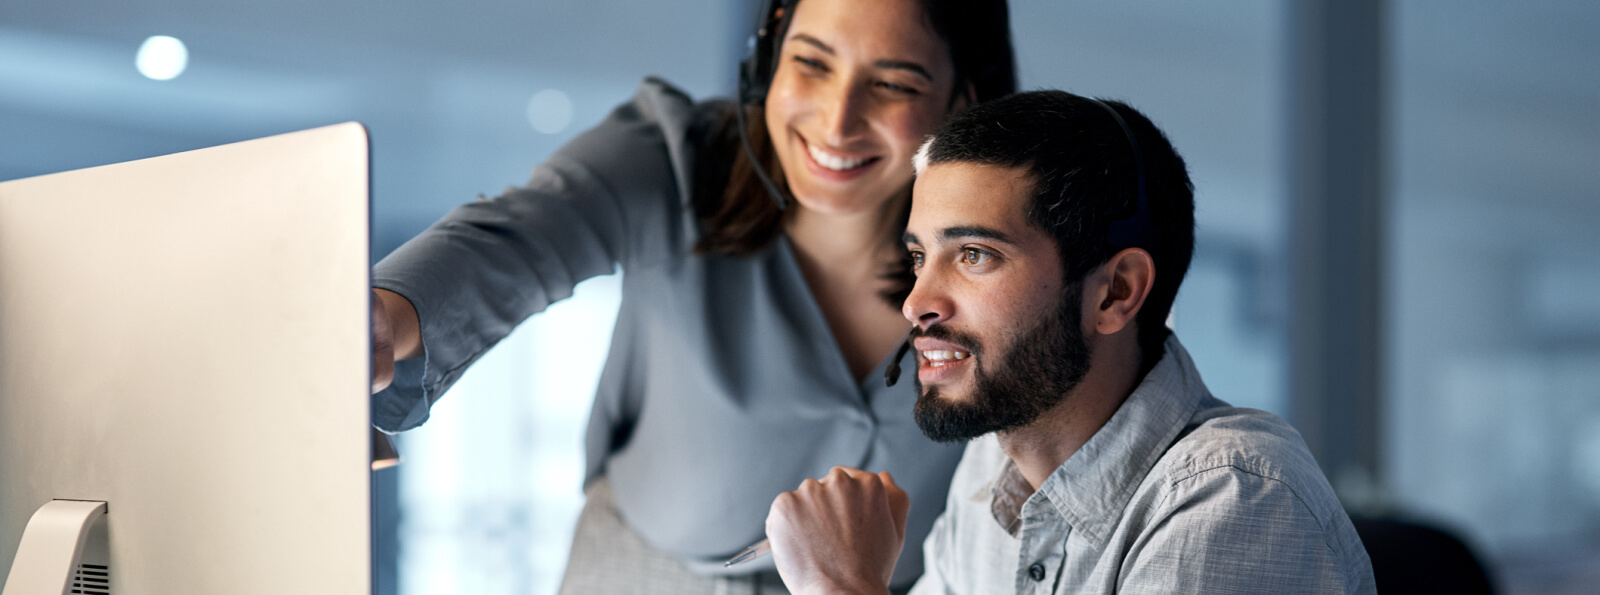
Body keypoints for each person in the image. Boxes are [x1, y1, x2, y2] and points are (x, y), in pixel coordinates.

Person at [366, 0, 1017, 592]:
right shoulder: (675, 156)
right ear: (767, 60)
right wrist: (384, 315)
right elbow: (515, 238)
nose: (837, 119)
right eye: (811, 63)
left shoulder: (1006, 254)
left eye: (893, 84)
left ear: (966, 98)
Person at [764, 90, 1378, 594]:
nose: (917, 302)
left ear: (1115, 292)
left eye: (974, 254)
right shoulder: (991, 466)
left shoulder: (1237, 499)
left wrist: (840, 586)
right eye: (921, 257)